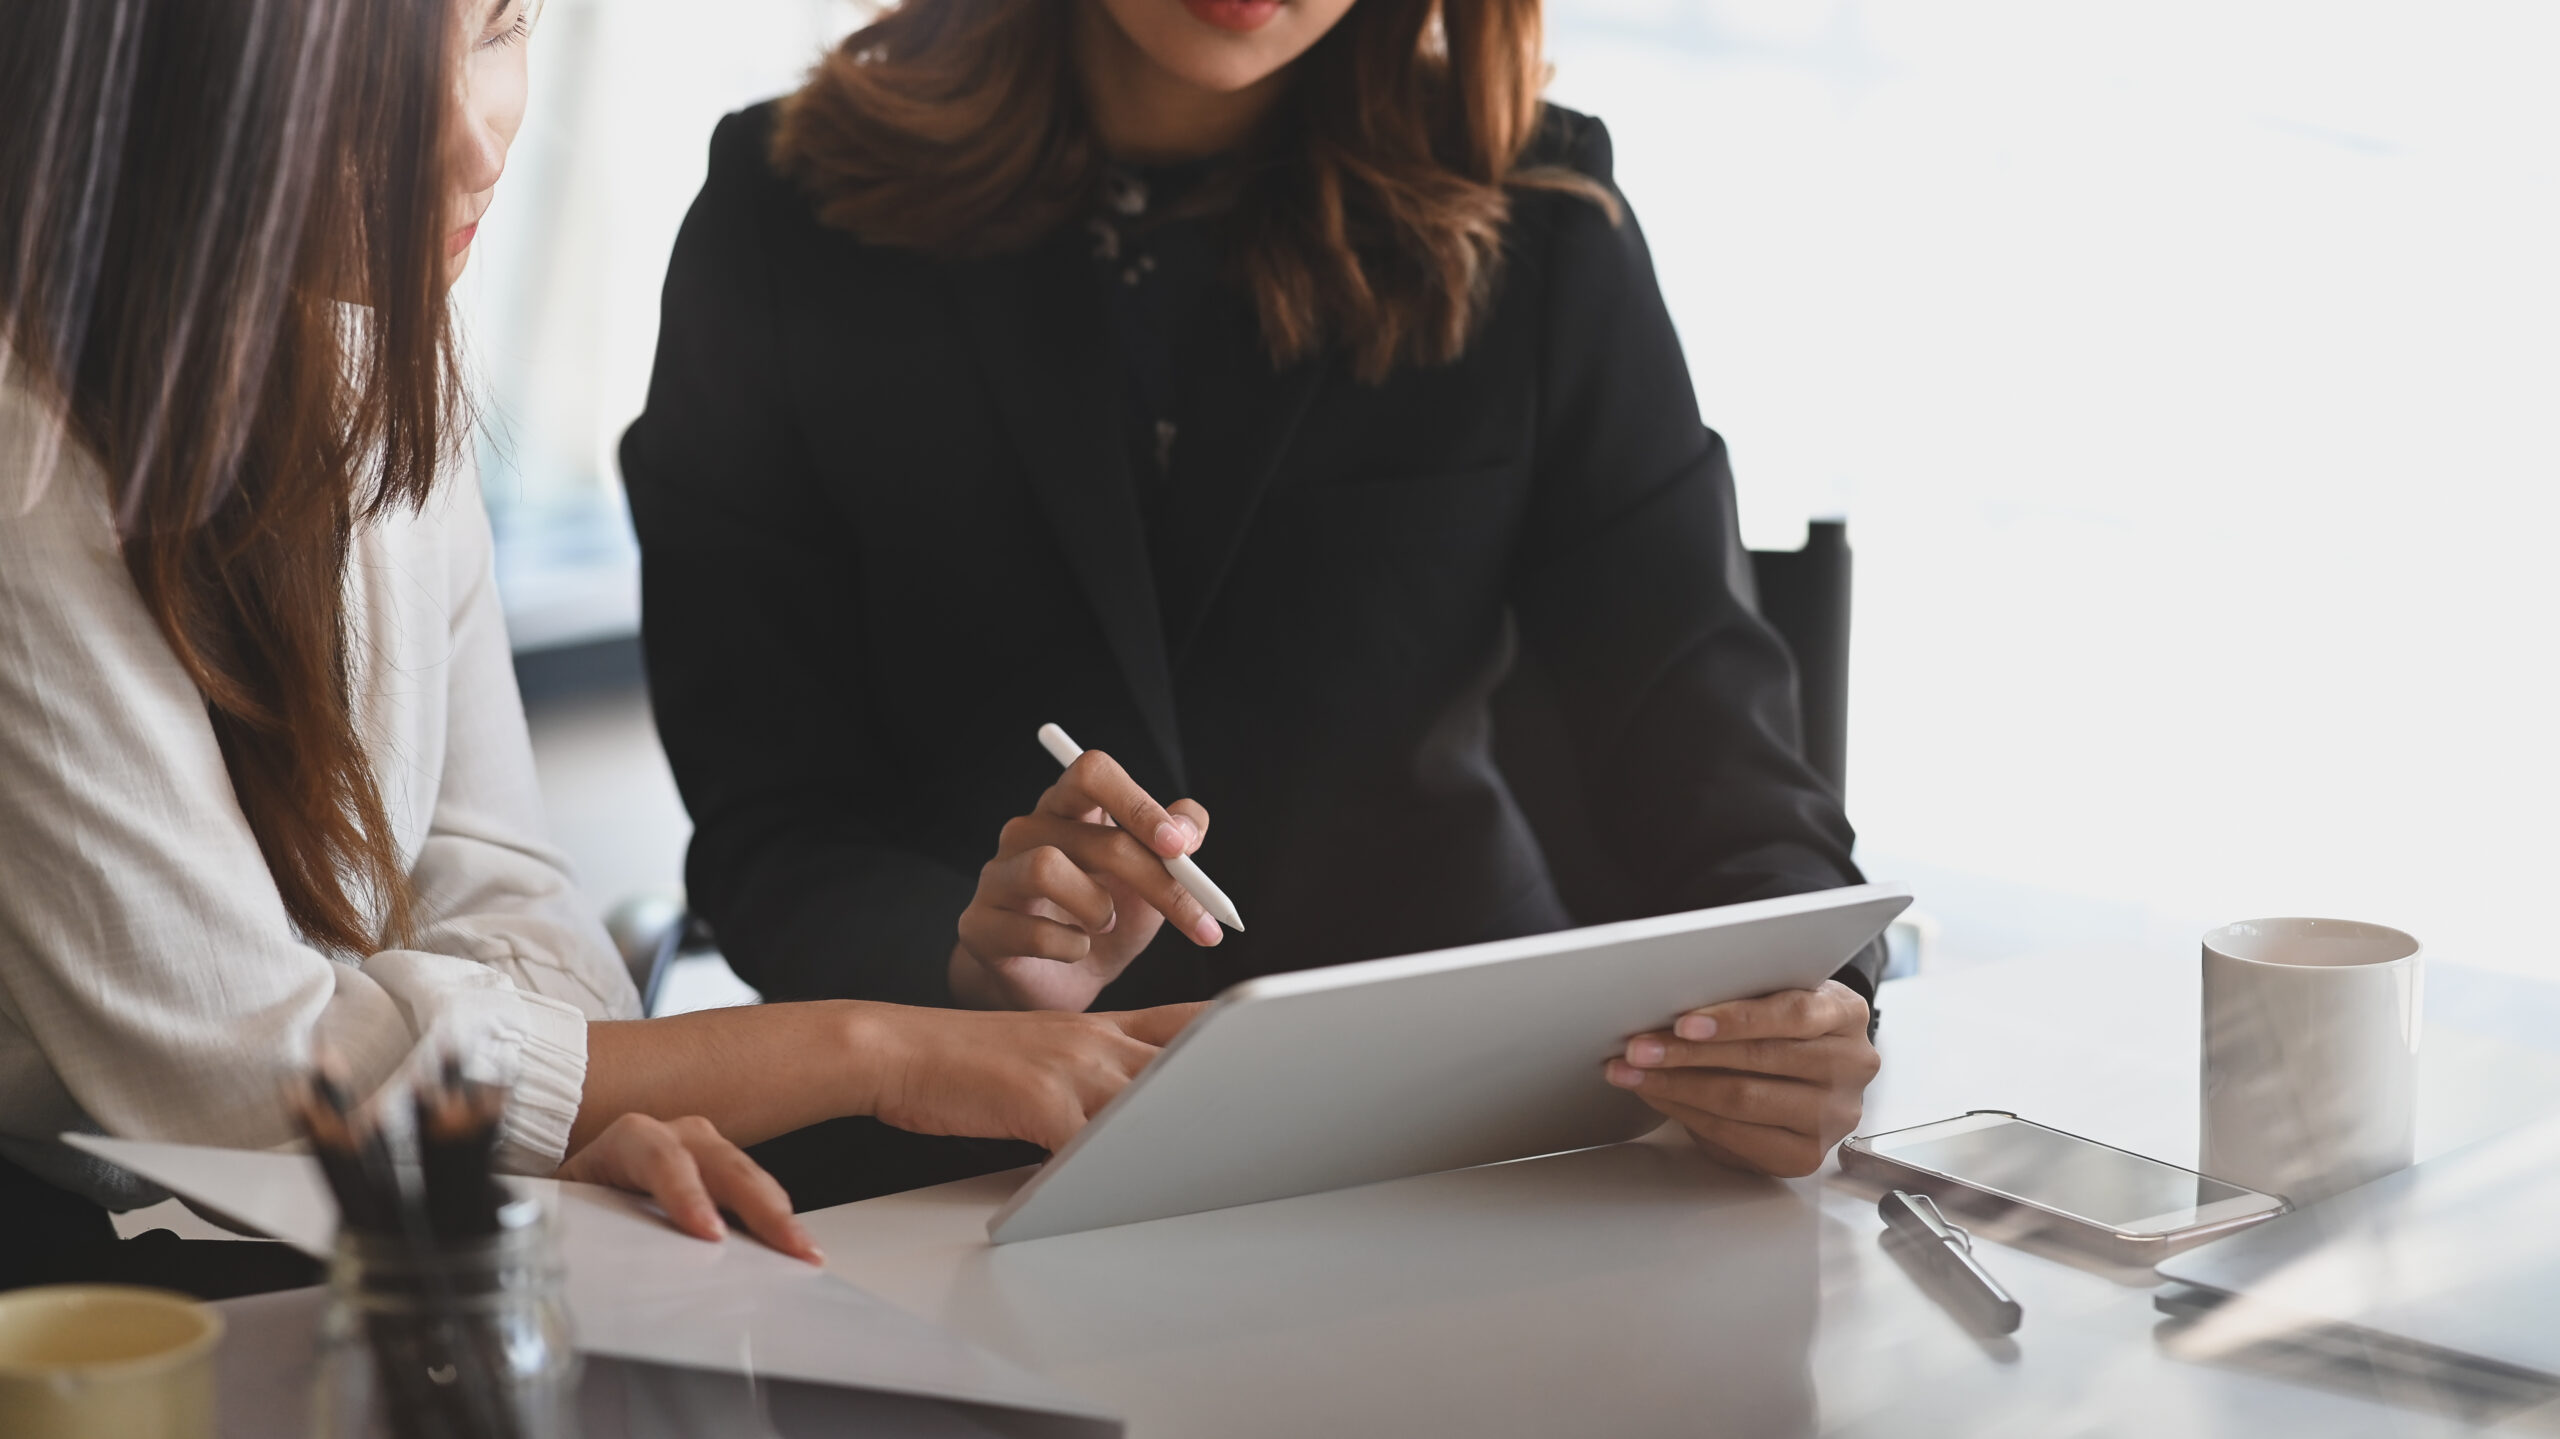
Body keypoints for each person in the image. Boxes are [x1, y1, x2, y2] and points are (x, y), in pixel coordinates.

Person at [0, 0, 1199, 1297]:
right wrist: (880, 1049)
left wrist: (547, 1130)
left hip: (336, 1224)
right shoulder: (27, 450)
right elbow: (244, 1068)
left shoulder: (371, 322)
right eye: (367, 85)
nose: (474, 144)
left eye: (501, 28)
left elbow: (497, 876)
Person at [622, 0, 1884, 1208]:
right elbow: (767, 809)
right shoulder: (783, 209)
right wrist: (957, 960)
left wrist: (1808, 1001)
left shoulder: (1539, 208)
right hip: (961, 1158)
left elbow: (1702, 721)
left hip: (1456, 1132)